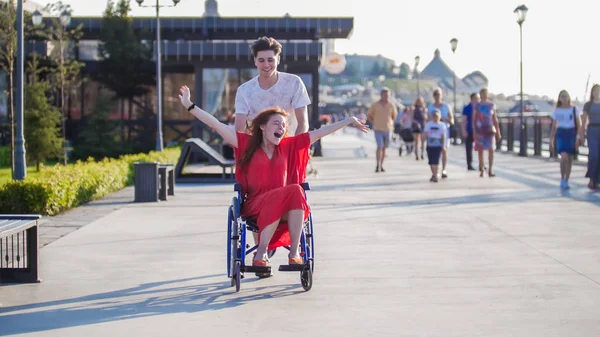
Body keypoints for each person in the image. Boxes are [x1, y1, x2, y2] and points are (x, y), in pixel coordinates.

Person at [178, 85, 369, 268]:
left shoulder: (288, 146)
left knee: (296, 190)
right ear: (262, 126)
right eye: (276, 123)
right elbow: (215, 124)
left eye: (284, 125)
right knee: (289, 192)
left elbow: (319, 133)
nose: (281, 127)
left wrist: (349, 120)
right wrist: (189, 106)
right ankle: (261, 253)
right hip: (255, 205)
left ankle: (294, 253)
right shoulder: (244, 143)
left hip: (284, 206)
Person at [234, 36, 310, 136]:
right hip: (258, 148)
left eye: (270, 60)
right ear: (255, 61)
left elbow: (303, 123)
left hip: (289, 146)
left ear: (278, 59)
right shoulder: (244, 90)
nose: (266, 65)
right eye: (261, 60)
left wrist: (293, 148)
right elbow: (239, 130)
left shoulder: (294, 83)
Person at [549, 90, 583, 190]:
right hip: (561, 133)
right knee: (563, 156)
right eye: (562, 96)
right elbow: (554, 126)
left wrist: (578, 137)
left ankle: (566, 180)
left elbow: (579, 124)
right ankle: (562, 177)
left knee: (570, 158)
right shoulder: (557, 110)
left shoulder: (574, 109)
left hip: (571, 133)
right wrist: (551, 140)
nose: (564, 98)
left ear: (569, 97)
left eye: (566, 96)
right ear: (559, 98)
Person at [367, 88, 398, 172]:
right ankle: (378, 165)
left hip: (388, 128)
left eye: (387, 95)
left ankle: (382, 164)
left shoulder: (391, 105)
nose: (386, 96)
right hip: (377, 128)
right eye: (384, 95)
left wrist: (390, 123)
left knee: (384, 147)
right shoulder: (375, 105)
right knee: (379, 146)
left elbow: (394, 116)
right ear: (381, 95)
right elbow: (369, 115)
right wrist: (374, 121)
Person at [473, 88, 501, 177]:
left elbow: (495, 119)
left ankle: (490, 169)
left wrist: (498, 131)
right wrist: (474, 131)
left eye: (486, 94)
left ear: (488, 95)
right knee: (480, 150)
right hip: (480, 130)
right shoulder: (476, 106)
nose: (484, 96)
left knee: (491, 149)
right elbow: (474, 119)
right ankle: (482, 169)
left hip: (490, 130)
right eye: (482, 94)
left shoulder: (491, 105)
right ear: (480, 95)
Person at [427, 88, 453, 178]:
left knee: (444, 150)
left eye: (439, 94)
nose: (437, 96)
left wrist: (444, 119)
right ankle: (435, 172)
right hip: (433, 133)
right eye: (436, 94)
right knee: (434, 151)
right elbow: (428, 119)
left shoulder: (446, 106)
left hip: (444, 131)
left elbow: (451, 120)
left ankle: (444, 169)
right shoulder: (431, 107)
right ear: (434, 96)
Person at [583, 84, 600, 190]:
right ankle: (591, 179)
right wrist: (580, 134)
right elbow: (583, 120)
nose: (597, 92)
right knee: (593, 155)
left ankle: (597, 181)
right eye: (595, 90)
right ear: (592, 92)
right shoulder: (588, 105)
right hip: (592, 130)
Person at [423, 109, 447, 182]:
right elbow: (425, 135)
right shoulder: (429, 124)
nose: (435, 117)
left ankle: (436, 175)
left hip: (438, 144)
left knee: (436, 160)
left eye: (437, 116)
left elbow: (443, 136)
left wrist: (443, 145)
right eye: (434, 116)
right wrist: (423, 144)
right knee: (431, 161)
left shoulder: (442, 125)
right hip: (430, 144)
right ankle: (433, 174)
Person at [461, 93, 479, 171]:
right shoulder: (467, 108)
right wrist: (464, 130)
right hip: (470, 130)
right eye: (476, 98)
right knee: (469, 148)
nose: (478, 100)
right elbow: (464, 120)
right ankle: (469, 164)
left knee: (480, 148)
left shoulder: (480, 108)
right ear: (472, 99)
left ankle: (481, 163)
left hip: (479, 130)